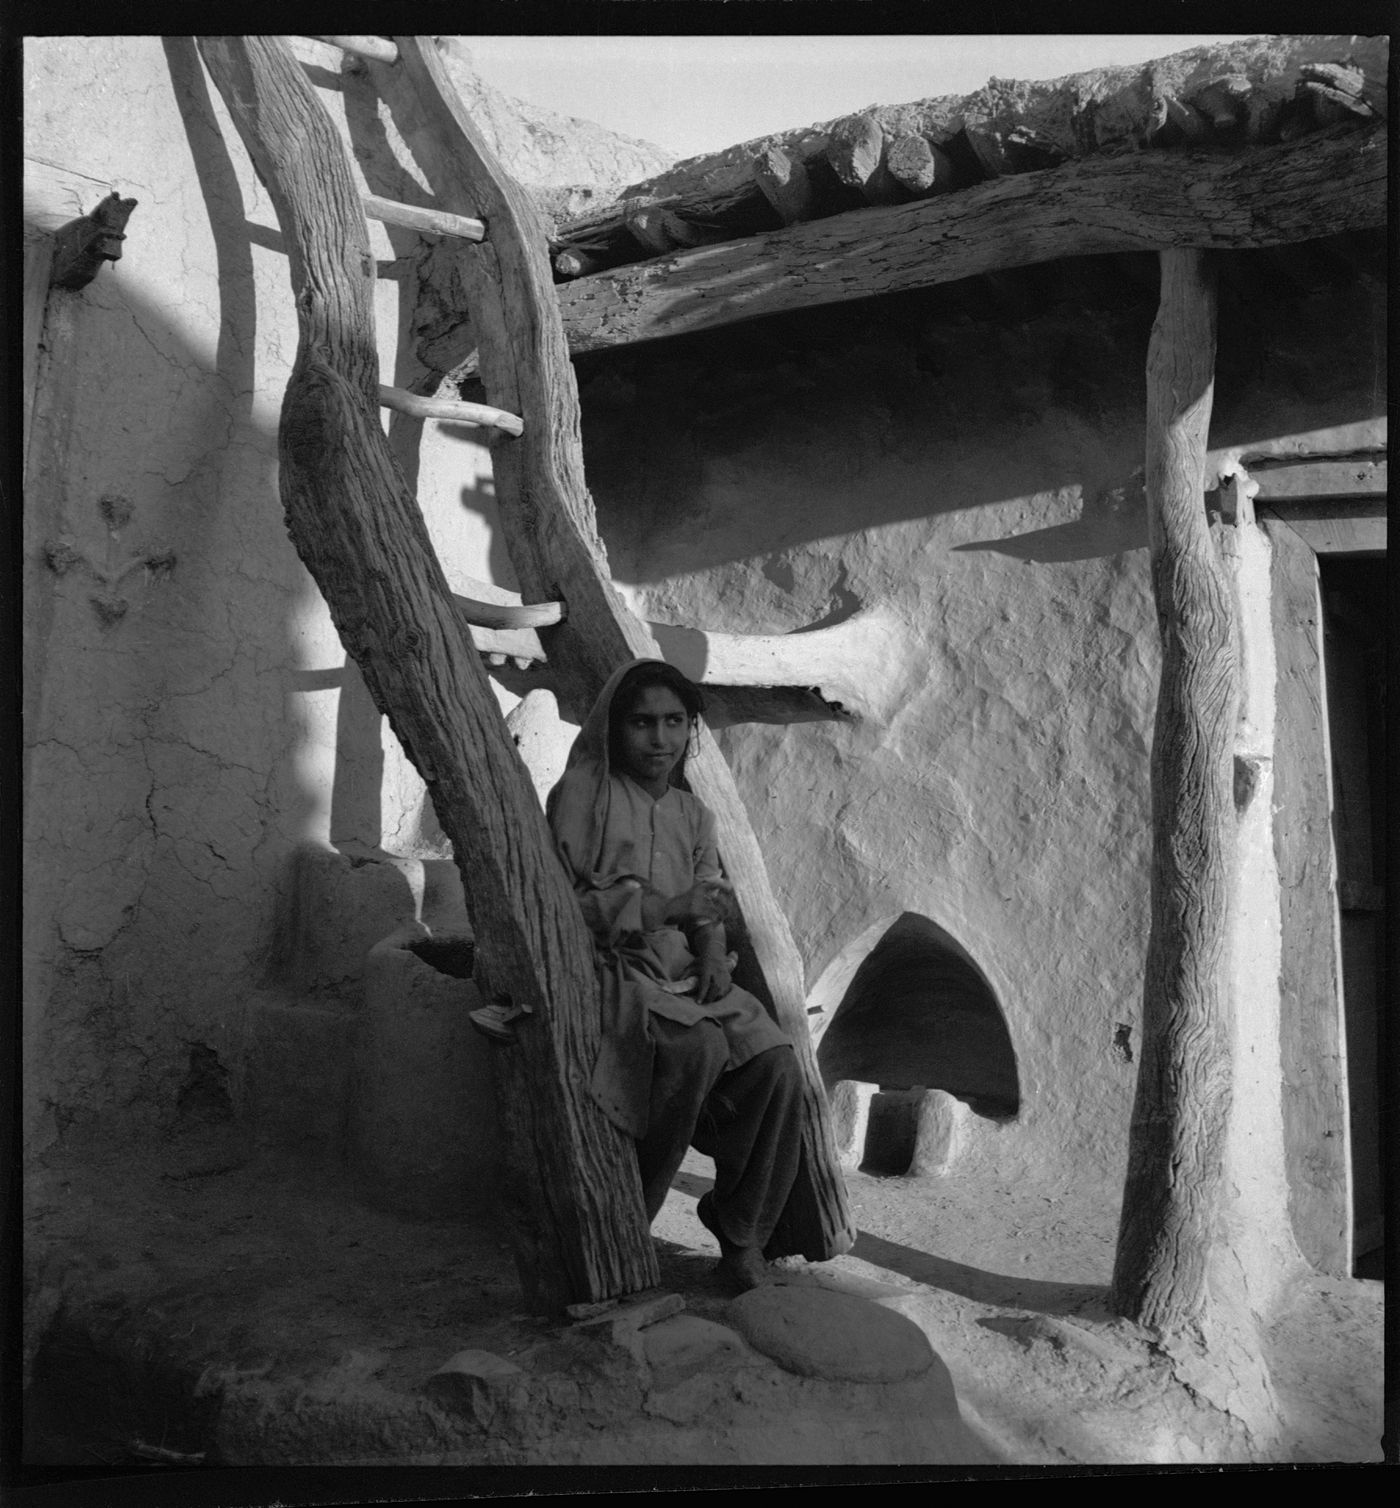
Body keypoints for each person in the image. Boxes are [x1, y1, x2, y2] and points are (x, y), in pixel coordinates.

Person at [545, 659, 806, 1291]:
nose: (659, 739)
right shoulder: (583, 794)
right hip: (612, 972)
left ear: (690, 730)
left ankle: (742, 1236)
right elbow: (554, 904)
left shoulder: (694, 814)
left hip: (688, 979)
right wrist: (661, 909)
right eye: (642, 723)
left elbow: (708, 902)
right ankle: (626, 1220)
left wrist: (714, 954)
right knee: (698, 1048)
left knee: (776, 1063)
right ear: (613, 727)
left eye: (674, 723)